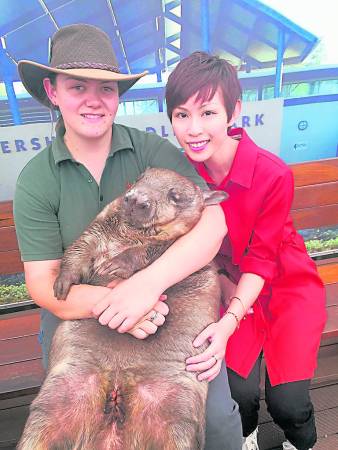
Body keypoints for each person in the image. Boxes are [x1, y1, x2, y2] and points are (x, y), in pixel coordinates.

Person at [14, 25, 242, 449]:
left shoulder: (150, 151)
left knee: (217, 423)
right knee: (60, 414)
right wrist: (118, 304)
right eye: (77, 86)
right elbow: (45, 285)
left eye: (106, 88)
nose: (94, 100)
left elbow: (213, 223)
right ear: (52, 91)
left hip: (171, 310)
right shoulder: (37, 180)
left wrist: (145, 287)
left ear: (118, 96)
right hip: (81, 316)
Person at [165, 51, 327, 450]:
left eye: (207, 113)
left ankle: (300, 441)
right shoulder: (181, 174)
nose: (193, 129)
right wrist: (220, 283)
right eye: (181, 115)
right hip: (224, 284)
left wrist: (229, 320)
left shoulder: (272, 173)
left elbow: (262, 258)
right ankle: (246, 435)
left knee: (288, 401)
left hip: (286, 286)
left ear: (234, 111)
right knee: (236, 390)